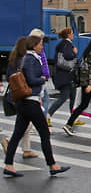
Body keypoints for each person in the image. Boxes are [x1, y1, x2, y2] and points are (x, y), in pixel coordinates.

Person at [4, 35, 69, 178]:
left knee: (17, 134)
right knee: (44, 133)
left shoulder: (23, 58)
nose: (42, 47)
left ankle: (9, 165)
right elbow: (31, 79)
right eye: (40, 44)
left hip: (24, 101)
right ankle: (53, 165)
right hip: (30, 102)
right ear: (34, 46)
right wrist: (43, 79)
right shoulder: (32, 59)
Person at [4, 37, 37, 159]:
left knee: (25, 121)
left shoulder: (14, 59)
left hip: (16, 94)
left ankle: (27, 150)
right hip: (22, 95)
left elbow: (9, 76)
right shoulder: (23, 60)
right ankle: (8, 140)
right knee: (26, 123)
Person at [48, 28, 79, 121]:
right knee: (63, 97)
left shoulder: (62, 44)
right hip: (66, 75)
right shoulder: (67, 44)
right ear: (69, 35)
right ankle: (48, 115)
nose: (73, 35)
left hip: (66, 75)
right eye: (72, 33)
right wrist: (75, 53)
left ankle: (73, 118)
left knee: (73, 96)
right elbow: (68, 56)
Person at [28, 28, 52, 126]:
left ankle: (38, 122)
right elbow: (42, 64)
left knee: (43, 100)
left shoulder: (36, 51)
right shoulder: (32, 55)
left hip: (40, 79)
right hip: (39, 80)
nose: (42, 44)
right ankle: (41, 122)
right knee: (44, 100)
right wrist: (43, 77)